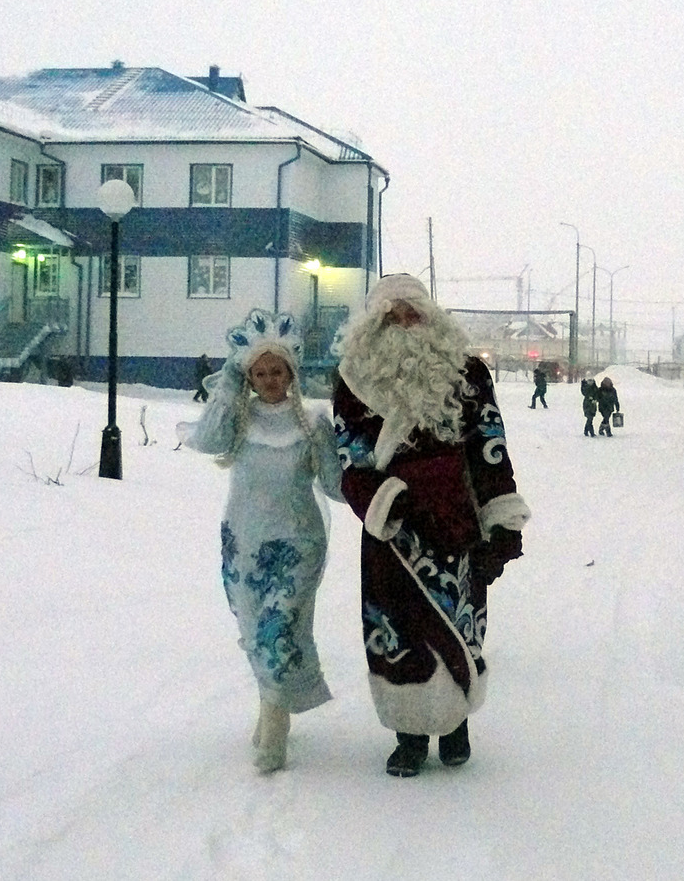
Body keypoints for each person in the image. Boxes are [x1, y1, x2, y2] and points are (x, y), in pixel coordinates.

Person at [333, 274, 531, 777]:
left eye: (411, 313)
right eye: (390, 316)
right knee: (397, 628)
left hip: (455, 517)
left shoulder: (466, 372)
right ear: (372, 325)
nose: (402, 323)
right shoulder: (354, 376)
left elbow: (490, 441)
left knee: (460, 619)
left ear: (431, 317)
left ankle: (456, 723)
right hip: (392, 527)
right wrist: (375, 500)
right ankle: (409, 734)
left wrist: (500, 516)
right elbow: (349, 452)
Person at [177, 310, 341, 773]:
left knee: (279, 630)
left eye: (278, 371)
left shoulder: (312, 422)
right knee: (254, 632)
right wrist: (227, 383)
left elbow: (334, 485)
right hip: (243, 544)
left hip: (298, 546)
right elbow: (206, 441)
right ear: (248, 375)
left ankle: (275, 729)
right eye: (259, 372)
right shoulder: (238, 417)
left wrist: (379, 481)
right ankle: (271, 704)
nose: (270, 380)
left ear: (292, 372)